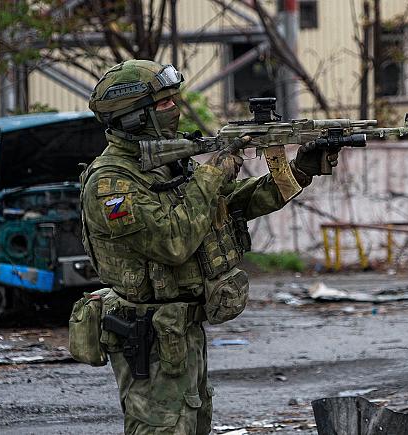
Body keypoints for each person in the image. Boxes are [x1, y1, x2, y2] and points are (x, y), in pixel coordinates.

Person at [78, 59, 337, 434]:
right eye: (164, 104)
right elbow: (172, 242)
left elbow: (235, 205)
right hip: (147, 335)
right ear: (133, 117)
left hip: (182, 330)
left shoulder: (169, 167)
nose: (175, 109)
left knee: (196, 424)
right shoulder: (111, 184)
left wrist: (300, 169)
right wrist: (214, 172)